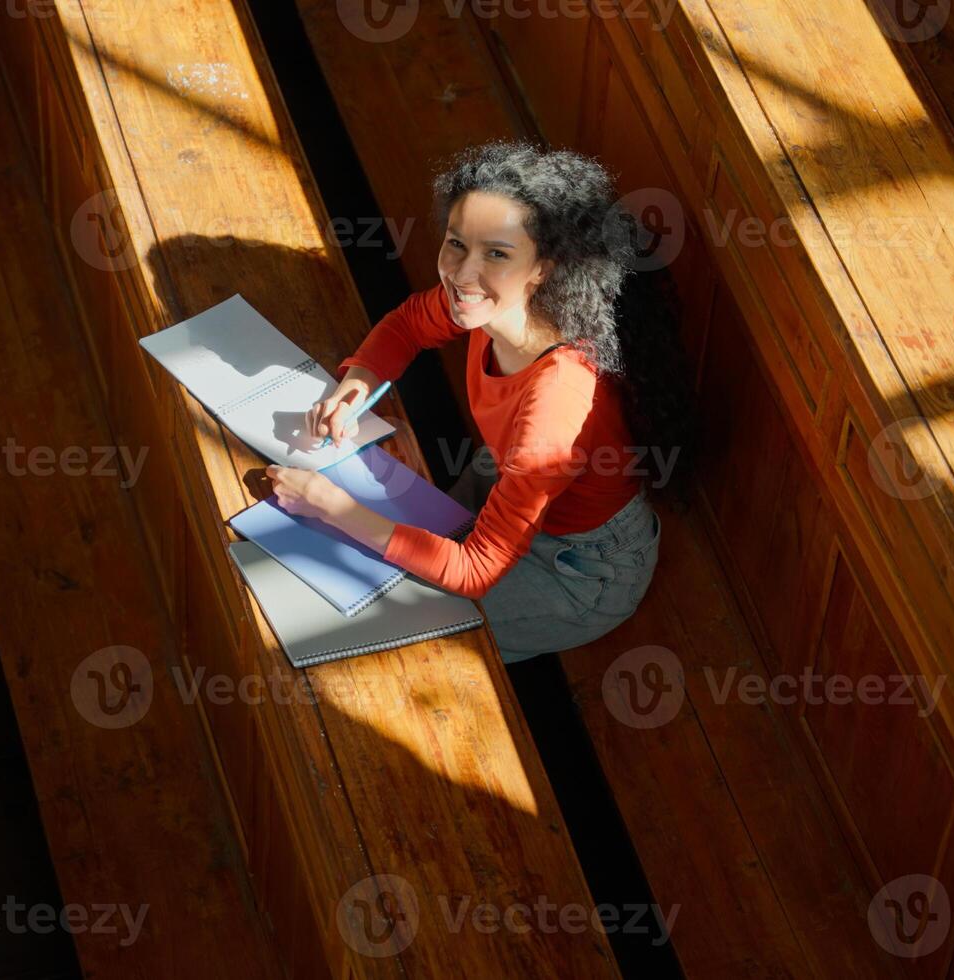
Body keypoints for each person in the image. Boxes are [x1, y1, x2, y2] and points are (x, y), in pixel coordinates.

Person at [264, 141, 697, 662]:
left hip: (578, 569)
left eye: (497, 253)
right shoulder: (488, 307)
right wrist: (355, 387)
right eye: (456, 244)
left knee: (373, 638)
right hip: (503, 484)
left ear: (543, 269)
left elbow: (475, 570)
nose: (462, 275)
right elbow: (405, 326)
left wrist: (336, 509)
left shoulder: (557, 403)